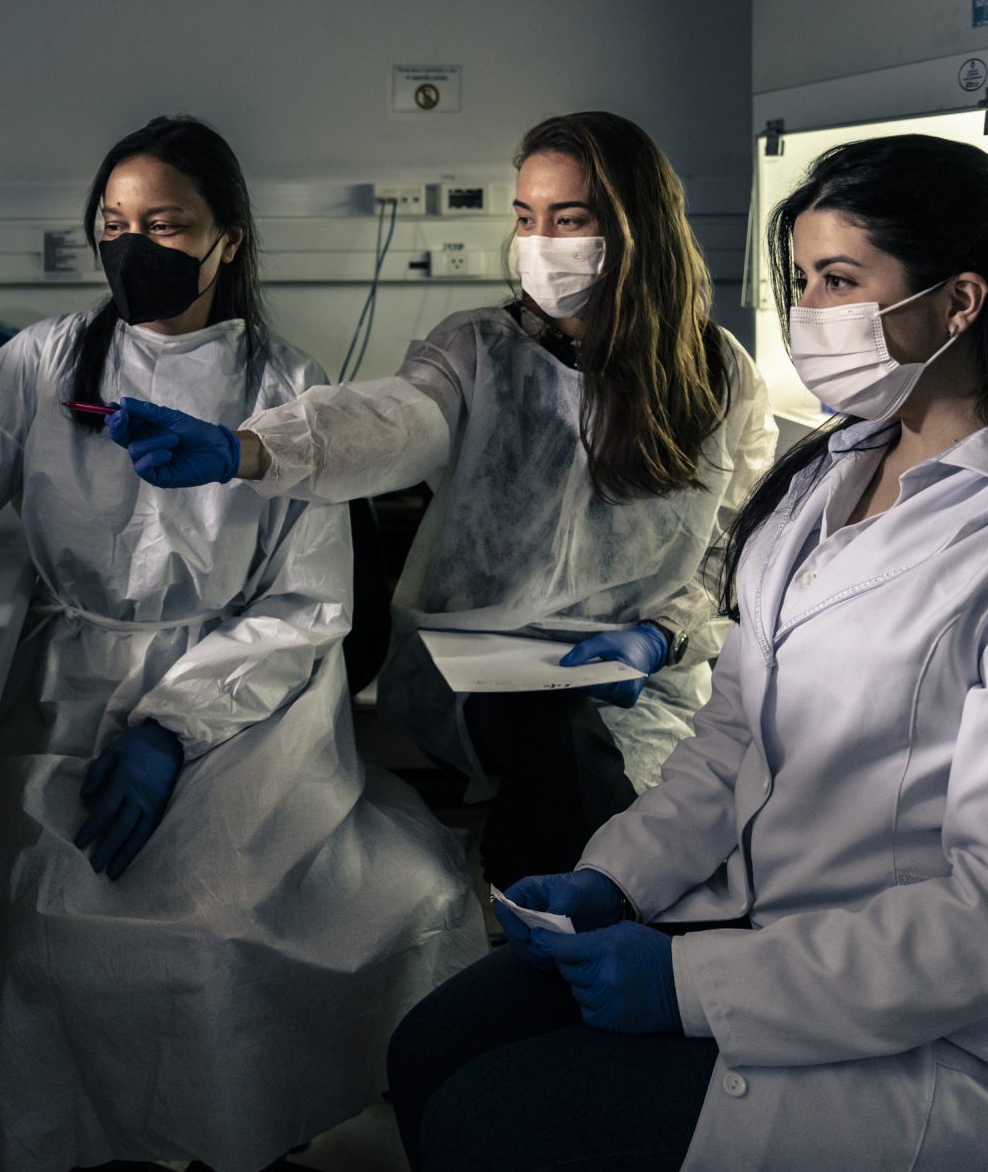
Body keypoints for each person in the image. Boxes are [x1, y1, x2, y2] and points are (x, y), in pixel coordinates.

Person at [385, 134, 988, 1171]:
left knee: (486, 1118)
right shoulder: (822, 479)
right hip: (746, 923)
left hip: (927, 1036)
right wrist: (613, 878)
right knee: (426, 1049)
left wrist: (688, 987)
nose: (811, 314)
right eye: (802, 281)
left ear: (960, 302)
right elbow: (728, 740)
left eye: (841, 281)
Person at [0, 116, 483, 1172]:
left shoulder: (288, 397)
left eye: (166, 224)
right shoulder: (42, 363)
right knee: (50, 917)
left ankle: (230, 1132)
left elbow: (303, 609)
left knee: (214, 921)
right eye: (114, 224)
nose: (135, 246)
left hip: (241, 697)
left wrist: (170, 727)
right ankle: (88, 1143)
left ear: (228, 241)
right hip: (73, 674)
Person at [107, 112, 774, 887]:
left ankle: (570, 917)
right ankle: (568, 915)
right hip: (476, 666)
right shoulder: (479, 349)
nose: (539, 241)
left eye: (570, 218)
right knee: (565, 753)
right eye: (526, 217)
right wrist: (247, 448)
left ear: (637, 226)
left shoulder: (719, 374)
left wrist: (661, 635)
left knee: (627, 782)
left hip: (639, 676)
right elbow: (396, 420)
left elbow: (736, 544)